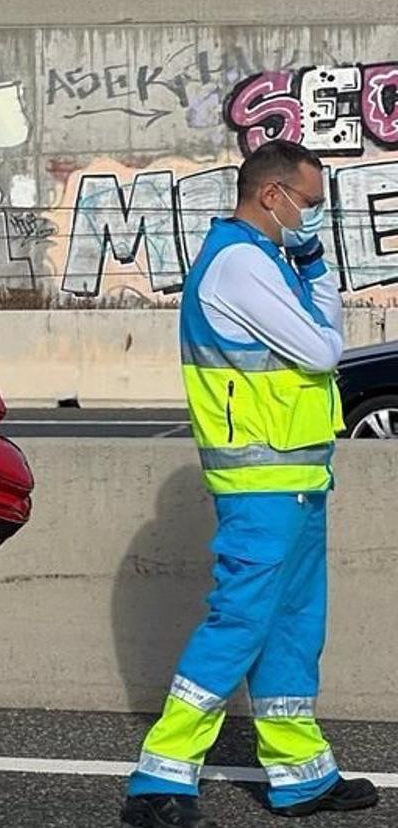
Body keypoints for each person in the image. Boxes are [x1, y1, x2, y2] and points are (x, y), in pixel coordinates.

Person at [121, 140, 378, 828]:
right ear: (272, 195)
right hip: (261, 482)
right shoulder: (238, 264)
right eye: (312, 203)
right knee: (239, 622)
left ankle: (300, 777)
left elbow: (326, 335)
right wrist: (314, 280)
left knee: (294, 628)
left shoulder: (272, 262)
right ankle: (159, 776)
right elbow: (325, 350)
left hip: (296, 477)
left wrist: (317, 264)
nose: (316, 216)